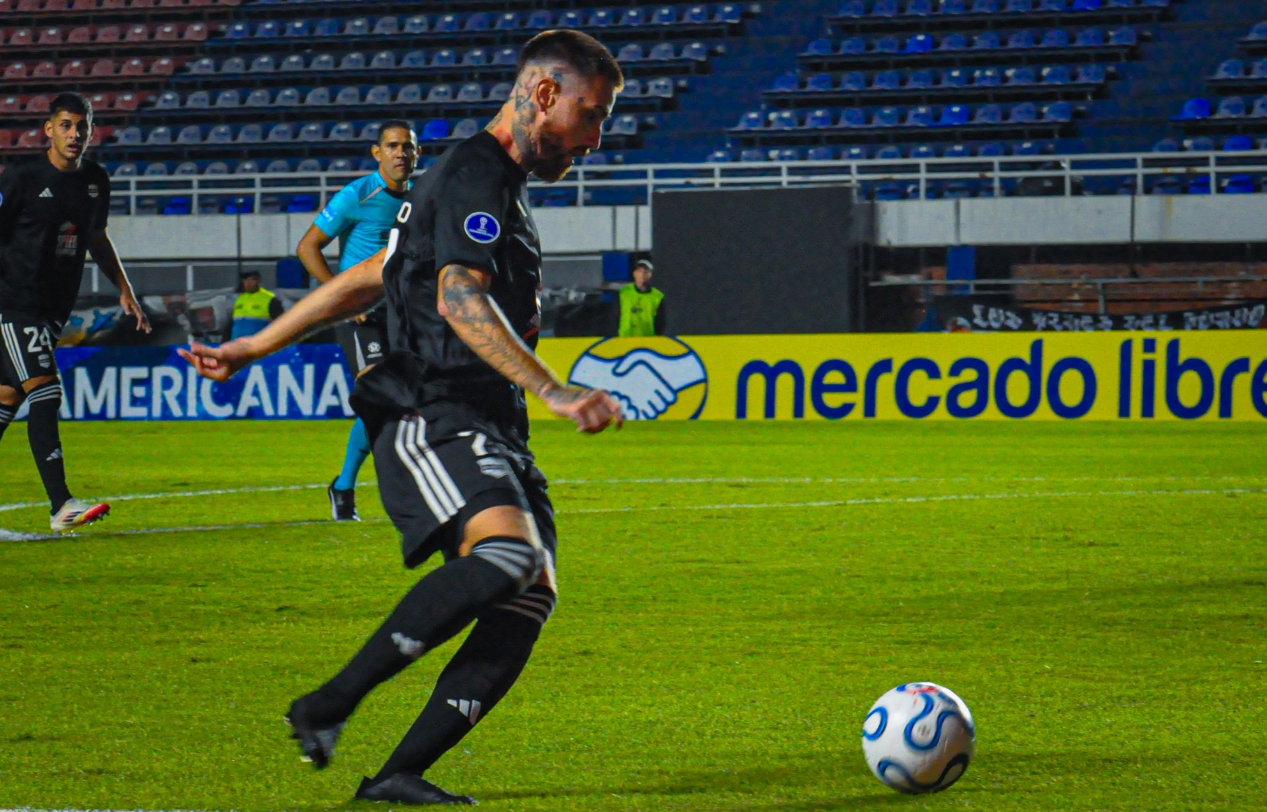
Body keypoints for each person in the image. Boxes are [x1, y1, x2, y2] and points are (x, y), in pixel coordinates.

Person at [180, 29, 625, 805]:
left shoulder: (481, 187)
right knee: (506, 561)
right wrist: (555, 389)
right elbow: (457, 296)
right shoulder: (472, 174)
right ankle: (326, 704)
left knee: (529, 591)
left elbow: (371, 275)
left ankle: (395, 776)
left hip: (489, 421)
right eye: (592, 115)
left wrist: (257, 343)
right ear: (543, 93)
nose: (594, 139)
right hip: (432, 407)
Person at [0, 91, 150, 531]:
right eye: (65, 125)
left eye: (81, 125)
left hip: (52, 309)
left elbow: (96, 238)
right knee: (45, 390)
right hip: (13, 302)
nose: (74, 134)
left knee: (7, 400)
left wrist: (124, 288)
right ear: (48, 129)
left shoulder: (96, 180)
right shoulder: (23, 176)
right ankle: (60, 504)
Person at [296, 120, 419, 522]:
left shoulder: (419, 199)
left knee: (399, 401)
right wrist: (341, 294)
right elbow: (307, 246)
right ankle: (349, 486)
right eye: (393, 146)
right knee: (379, 397)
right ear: (376, 152)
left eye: (408, 147)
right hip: (359, 314)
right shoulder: (358, 194)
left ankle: (344, 486)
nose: (402, 153)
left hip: (400, 314)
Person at [229, 270, 284, 339]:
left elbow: (281, 322)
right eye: (245, 280)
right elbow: (231, 323)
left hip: (258, 344)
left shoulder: (269, 298)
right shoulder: (239, 299)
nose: (248, 283)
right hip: (237, 344)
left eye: (251, 279)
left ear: (258, 280)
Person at [617, 258, 665, 336]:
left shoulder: (657, 296)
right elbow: (615, 315)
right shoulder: (624, 293)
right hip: (625, 340)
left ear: (650, 275)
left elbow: (660, 322)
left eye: (646, 272)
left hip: (646, 340)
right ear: (634, 274)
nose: (642, 275)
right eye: (639, 271)